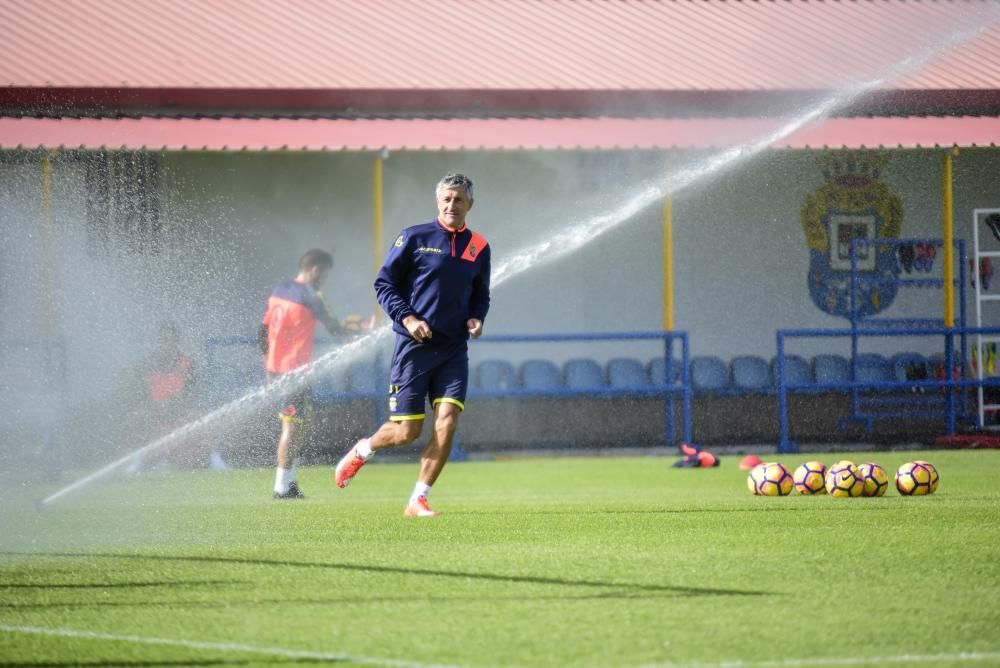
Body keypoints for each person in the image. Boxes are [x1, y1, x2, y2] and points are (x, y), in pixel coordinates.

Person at [333, 173, 491, 517]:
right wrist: (408, 320)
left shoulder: (479, 246)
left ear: (470, 205)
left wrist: (477, 317)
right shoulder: (414, 237)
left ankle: (418, 499)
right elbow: (384, 284)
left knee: (447, 420)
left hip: (453, 350)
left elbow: (481, 294)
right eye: (447, 199)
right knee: (407, 431)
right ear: (438, 202)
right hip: (413, 350)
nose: (452, 205)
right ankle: (364, 449)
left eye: (459, 199)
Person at [259, 249, 342, 499]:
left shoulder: (278, 290)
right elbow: (335, 329)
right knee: (292, 429)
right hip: (293, 372)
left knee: (301, 426)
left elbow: (261, 331)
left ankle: (289, 482)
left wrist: (267, 365)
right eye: (325, 274)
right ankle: (281, 488)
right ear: (316, 269)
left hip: (277, 370)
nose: (325, 280)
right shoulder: (311, 295)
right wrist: (363, 331)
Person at [127, 321, 229, 472]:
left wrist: (174, 405)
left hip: (181, 413)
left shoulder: (187, 364)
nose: (168, 345)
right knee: (136, 417)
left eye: (171, 341)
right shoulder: (148, 364)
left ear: (177, 342)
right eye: (164, 340)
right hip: (155, 413)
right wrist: (153, 408)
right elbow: (141, 395)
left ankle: (215, 459)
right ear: (159, 342)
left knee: (204, 418)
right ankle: (138, 461)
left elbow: (192, 394)